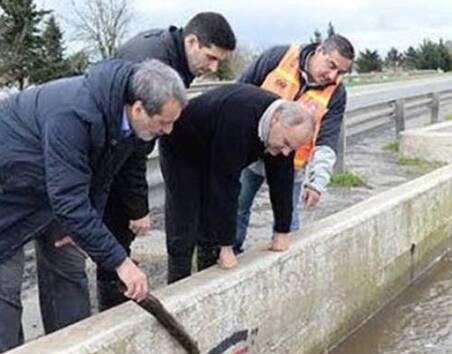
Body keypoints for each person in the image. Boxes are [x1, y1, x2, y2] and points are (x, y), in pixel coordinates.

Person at [0, 60, 187, 354]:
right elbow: (68, 201)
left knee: (68, 262)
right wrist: (121, 262)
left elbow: (102, 177)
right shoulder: (74, 114)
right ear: (138, 108)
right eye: (164, 122)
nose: (168, 130)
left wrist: (91, 227)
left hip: (37, 185)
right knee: (2, 288)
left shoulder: (128, 123)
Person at [97, 12, 236, 310]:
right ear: (192, 41)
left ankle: (118, 295)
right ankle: (111, 312)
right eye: (211, 58)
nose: (212, 68)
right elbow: (133, 147)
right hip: (107, 153)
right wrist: (137, 208)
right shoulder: (154, 64)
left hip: (116, 150)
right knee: (116, 231)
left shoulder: (174, 57)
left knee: (118, 237)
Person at [159, 84, 315, 284]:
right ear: (276, 120)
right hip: (183, 148)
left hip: (216, 149)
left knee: (209, 225)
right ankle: (178, 284)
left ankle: (209, 281)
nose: (286, 152)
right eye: (285, 144)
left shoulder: (284, 132)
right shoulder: (241, 117)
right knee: (185, 220)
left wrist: (281, 231)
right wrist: (227, 245)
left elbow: (282, 181)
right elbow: (226, 185)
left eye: (290, 148)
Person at [234, 34, 355, 253]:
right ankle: (228, 253)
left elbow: (327, 140)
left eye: (341, 72)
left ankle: (288, 265)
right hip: (251, 155)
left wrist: (316, 182)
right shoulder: (279, 57)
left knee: (288, 222)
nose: (333, 76)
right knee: (237, 207)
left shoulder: (336, 93)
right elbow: (238, 95)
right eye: (331, 66)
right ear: (319, 51)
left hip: (292, 165)